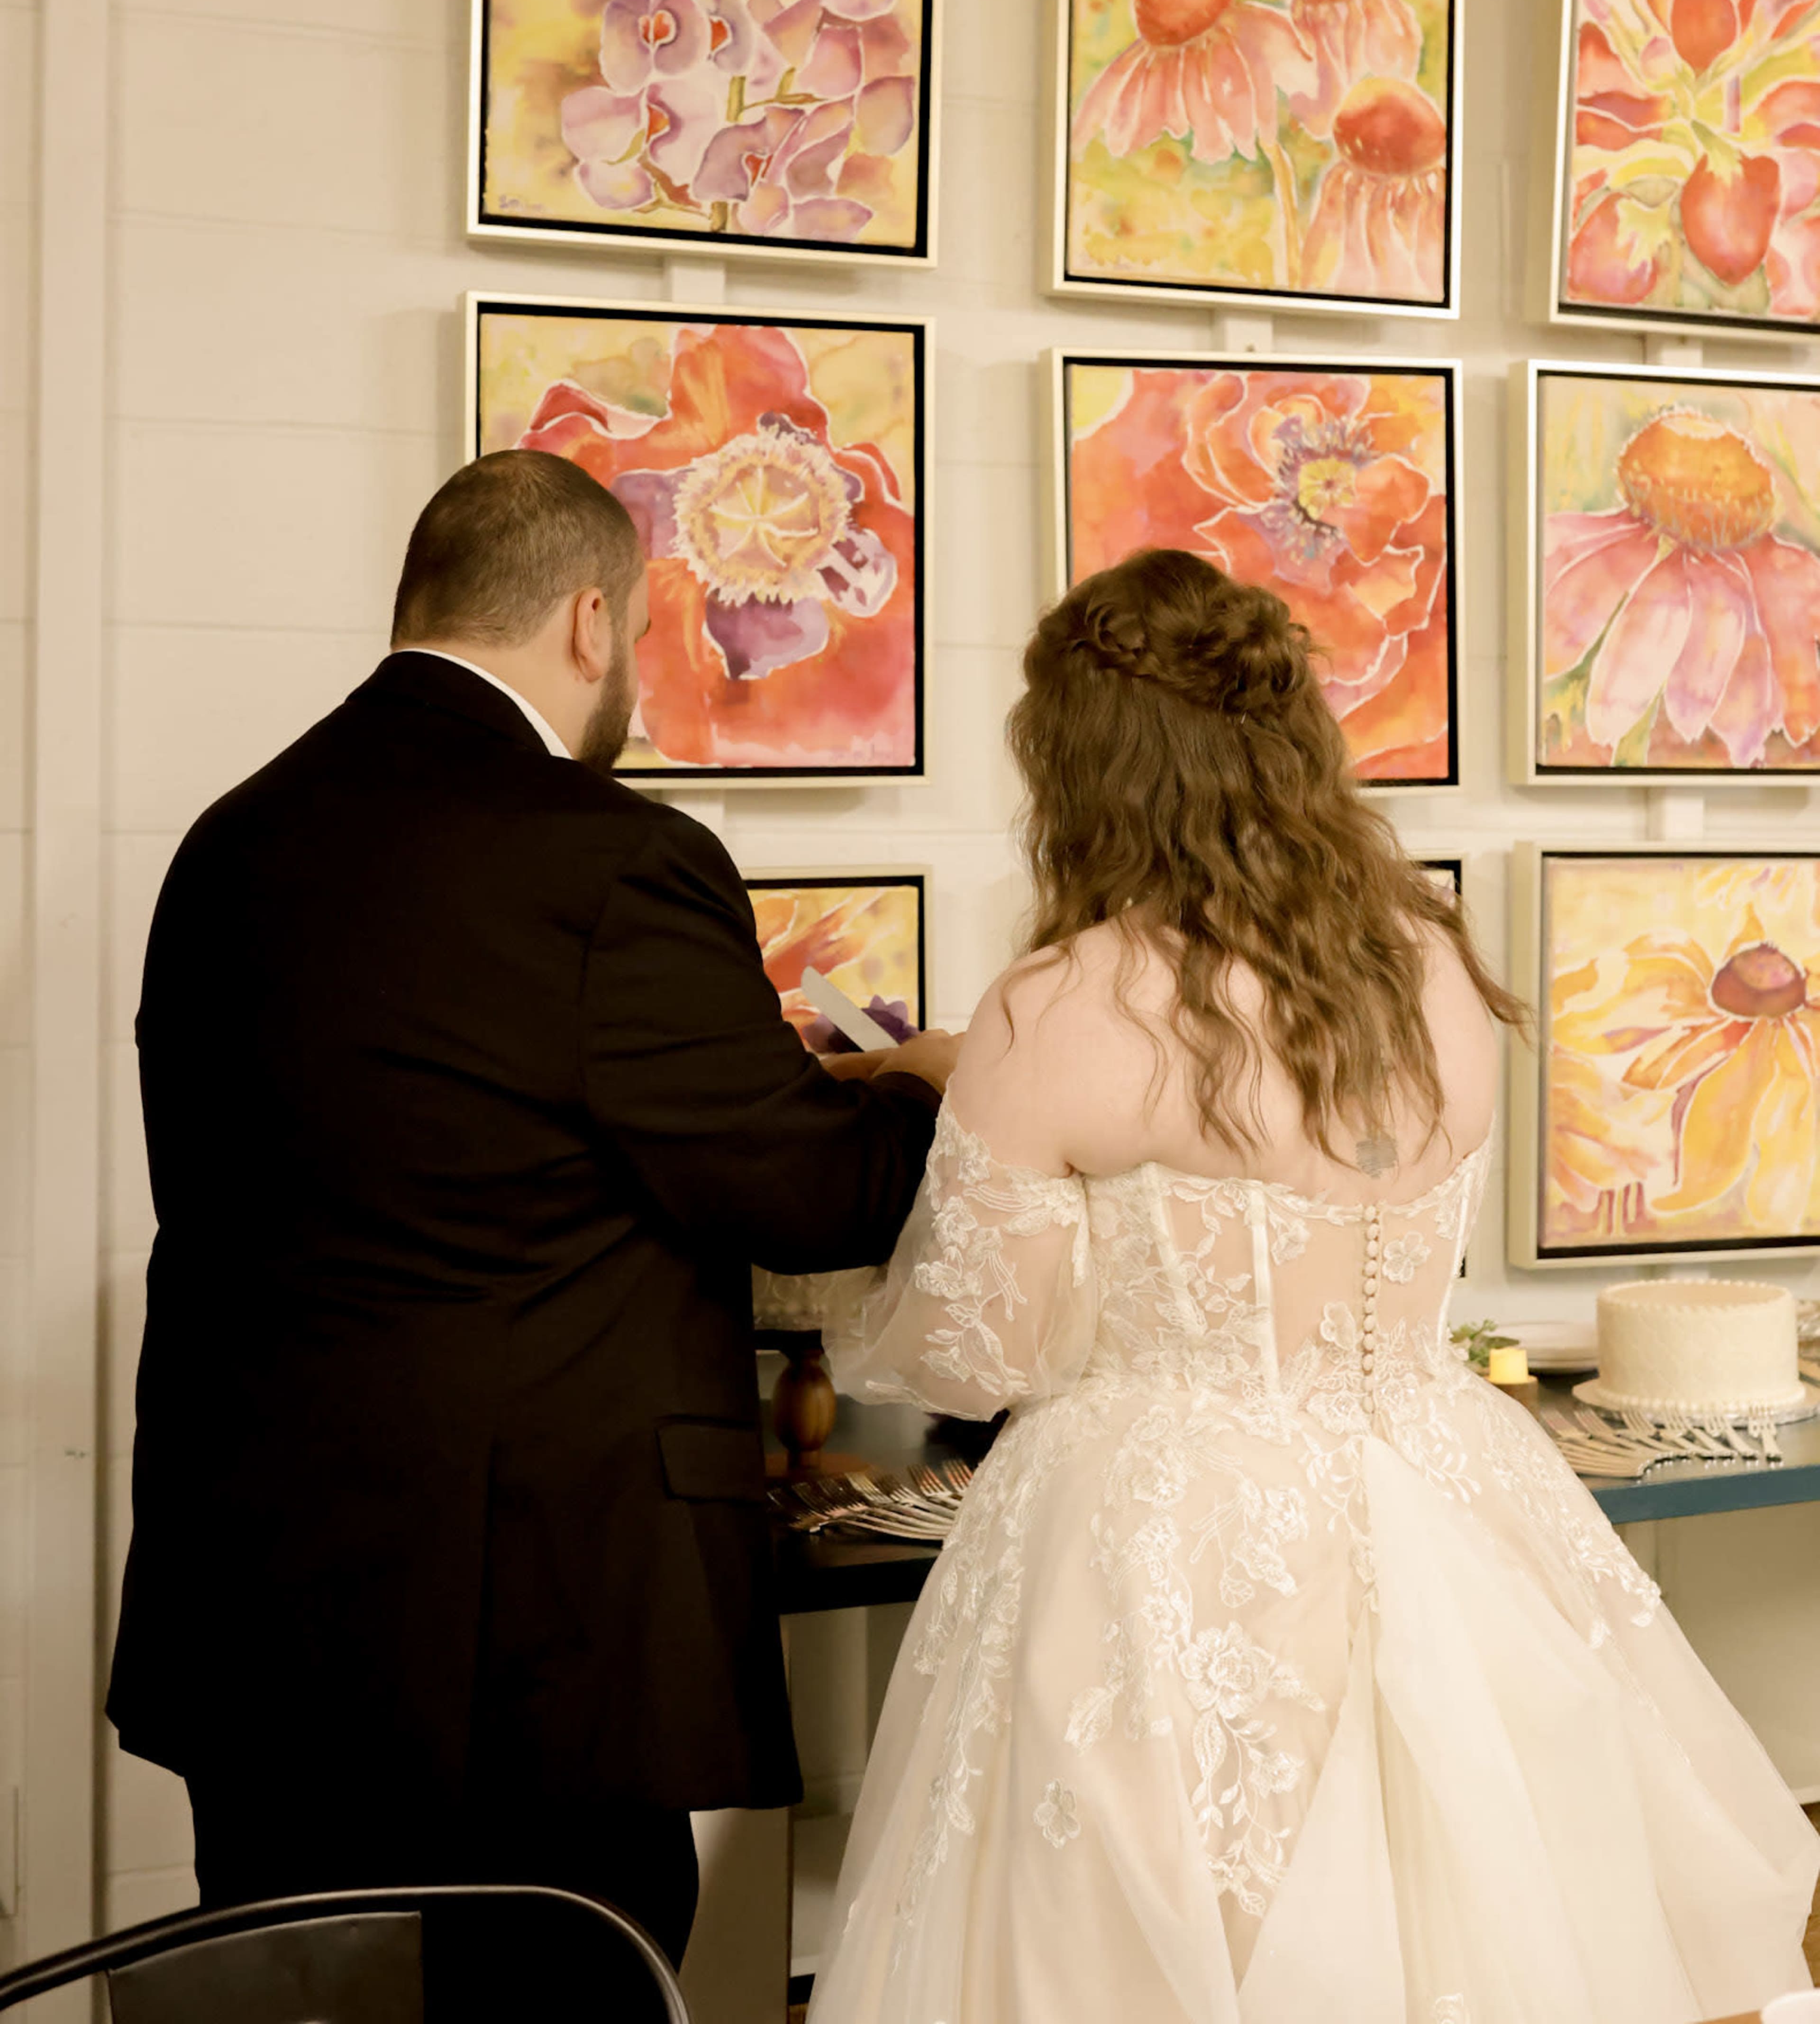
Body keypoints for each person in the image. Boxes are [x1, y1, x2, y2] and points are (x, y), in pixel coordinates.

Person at [808, 548, 1818, 2024]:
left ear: (1085, 771)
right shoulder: (1437, 968)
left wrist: (953, 1127)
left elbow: (980, 1353)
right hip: (1443, 1487)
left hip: (1153, 1532)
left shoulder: (1065, 1001)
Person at [107, 448, 957, 2015]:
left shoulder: (225, 845)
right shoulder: (614, 858)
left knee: (301, 1996)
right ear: (587, 619)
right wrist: (924, 1086)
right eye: (632, 636)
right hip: (523, 1634)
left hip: (255, 1607)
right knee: (569, 1986)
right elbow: (803, 1186)